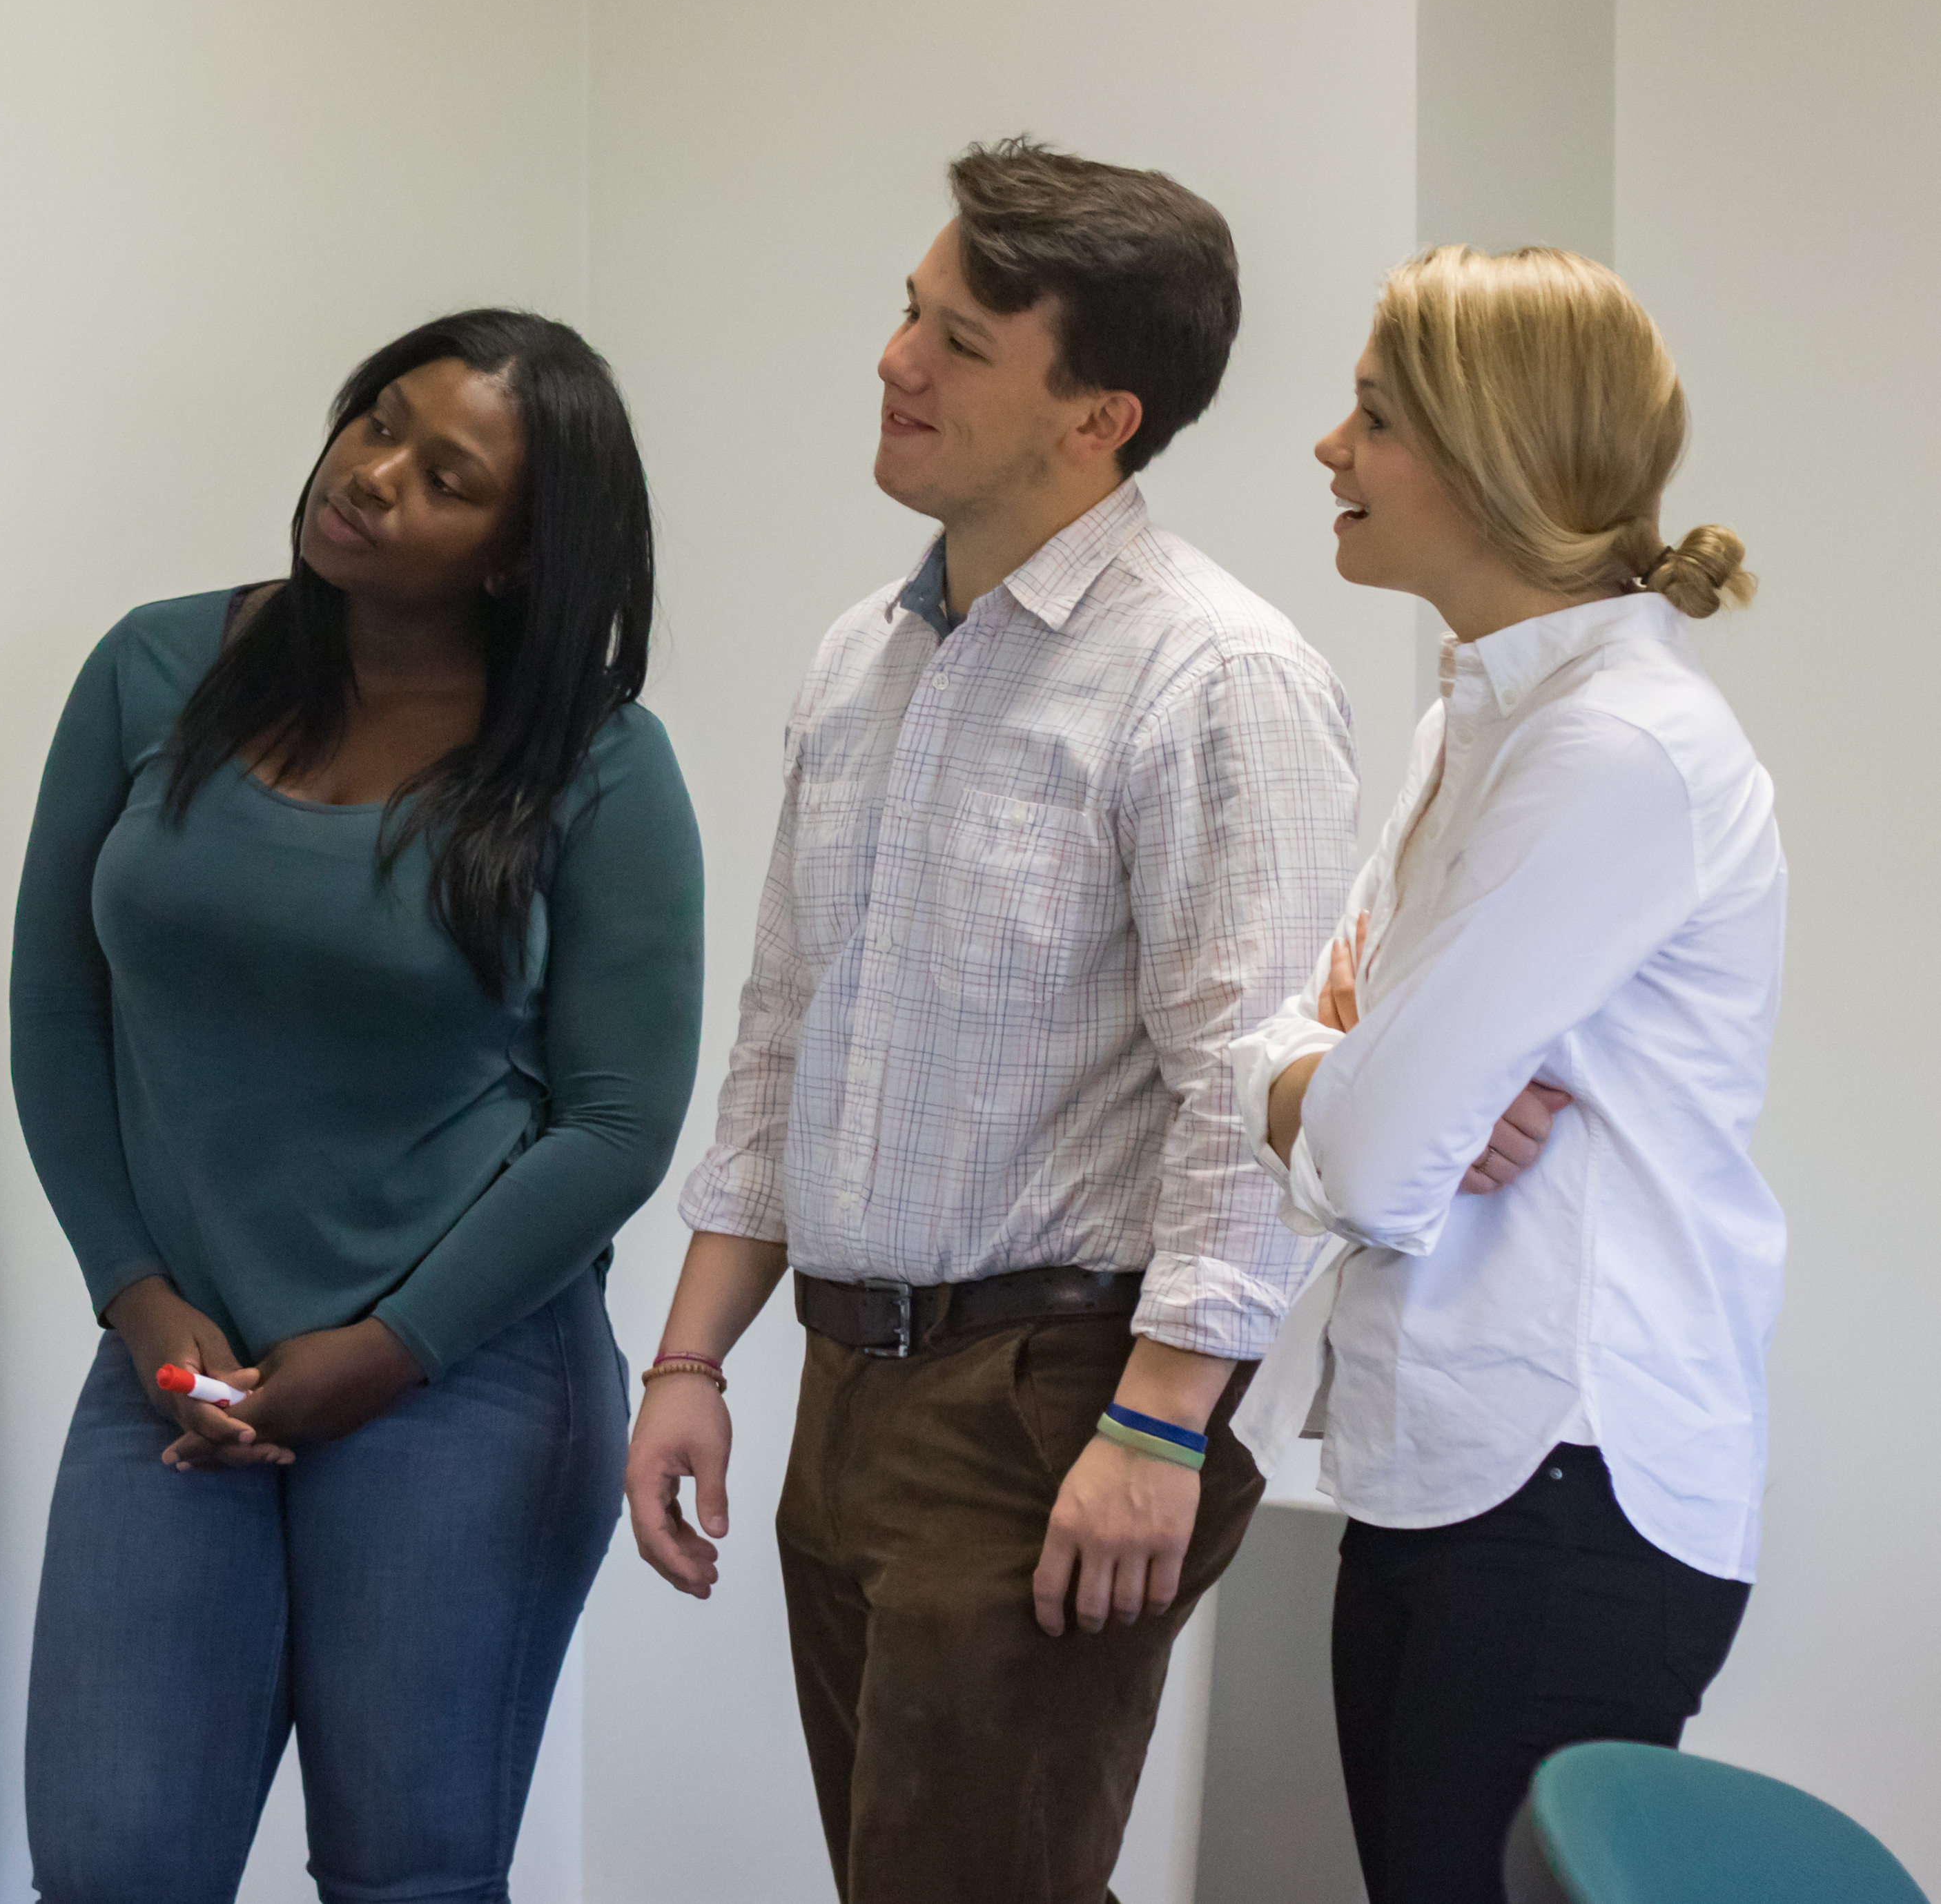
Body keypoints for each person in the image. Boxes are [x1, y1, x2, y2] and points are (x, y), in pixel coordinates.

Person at [625, 139, 1359, 1903]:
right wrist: (690, 1358)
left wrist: (1164, 1421)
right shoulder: (859, 659)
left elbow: (1246, 1099)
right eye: (909, 311)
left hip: (1056, 1398)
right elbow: (785, 1035)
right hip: (845, 1384)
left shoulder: (1214, 677)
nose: (895, 362)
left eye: (957, 341)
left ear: (1098, 417)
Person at [10, 309, 704, 1902]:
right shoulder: (156, 668)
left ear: (517, 558)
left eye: (445, 476)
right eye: (378, 421)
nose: (374, 475)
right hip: (174, 1367)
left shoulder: (599, 767)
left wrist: (386, 1351)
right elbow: (59, 1005)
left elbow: (615, 1124)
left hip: (458, 1384)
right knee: (114, 1866)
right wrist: (140, 1307)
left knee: (409, 1876)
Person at [1231, 245, 1780, 1904]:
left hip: (1567, 1488)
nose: (1329, 449)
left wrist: (1342, 1084)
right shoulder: (1469, 725)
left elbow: (1387, 1161)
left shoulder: (1615, 749)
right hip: (1449, 1467)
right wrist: (1325, 1071)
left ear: (1492, 460)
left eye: (1375, 416)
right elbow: (1284, 1038)